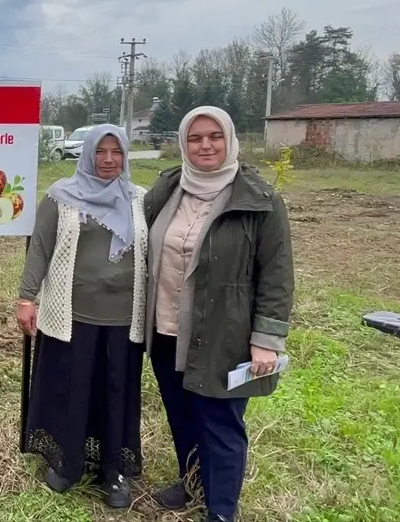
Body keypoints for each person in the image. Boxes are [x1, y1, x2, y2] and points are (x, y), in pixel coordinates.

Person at [144, 106, 295, 522]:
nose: (205, 145)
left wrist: (266, 339)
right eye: (195, 138)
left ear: (229, 140)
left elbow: (277, 275)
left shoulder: (259, 200)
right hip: (167, 329)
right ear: (182, 144)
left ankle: (221, 509)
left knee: (221, 423)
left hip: (224, 335)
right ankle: (192, 483)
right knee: (182, 415)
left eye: (214, 136)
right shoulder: (167, 190)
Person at [17, 124, 149, 507]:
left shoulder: (140, 199)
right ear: (88, 154)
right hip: (73, 314)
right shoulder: (61, 197)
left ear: (125, 156)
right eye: (100, 152)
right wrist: (27, 297)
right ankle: (68, 463)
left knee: (117, 392)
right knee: (72, 389)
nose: (108, 160)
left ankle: (114, 472)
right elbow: (40, 249)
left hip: (125, 317)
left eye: (117, 152)